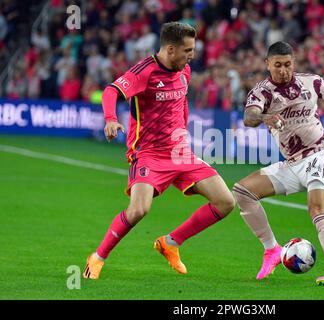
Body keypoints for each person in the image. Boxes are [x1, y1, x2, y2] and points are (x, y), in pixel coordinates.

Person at [83, 22, 235, 279]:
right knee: (139, 210)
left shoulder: (184, 70)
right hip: (149, 154)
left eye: (193, 49)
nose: (192, 56)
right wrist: (110, 118)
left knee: (225, 202)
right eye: (188, 50)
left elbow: (182, 104)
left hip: (180, 152)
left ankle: (171, 242)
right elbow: (111, 91)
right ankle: (97, 257)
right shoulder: (145, 71)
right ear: (171, 49)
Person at [232, 42, 324, 286]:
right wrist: (265, 117)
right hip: (292, 163)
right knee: (243, 191)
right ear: (267, 64)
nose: (283, 70)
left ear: (294, 62)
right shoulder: (262, 92)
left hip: (320, 154)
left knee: (317, 210)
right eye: (277, 65)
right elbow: (249, 118)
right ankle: (271, 250)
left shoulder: (312, 82)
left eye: (288, 64)